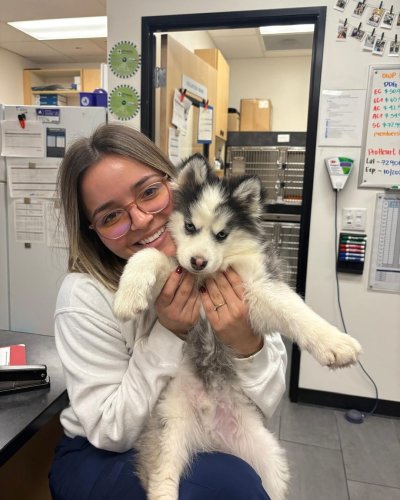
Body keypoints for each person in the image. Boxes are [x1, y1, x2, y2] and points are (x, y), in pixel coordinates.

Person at [48, 123, 287, 500]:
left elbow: (267, 403)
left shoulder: (218, 258)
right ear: (92, 230)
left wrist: (246, 343)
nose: (141, 219)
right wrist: (170, 331)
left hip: (200, 432)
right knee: (227, 483)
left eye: (149, 192)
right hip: (106, 452)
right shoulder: (84, 295)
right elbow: (112, 430)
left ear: (175, 185)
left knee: (254, 471)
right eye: (111, 216)